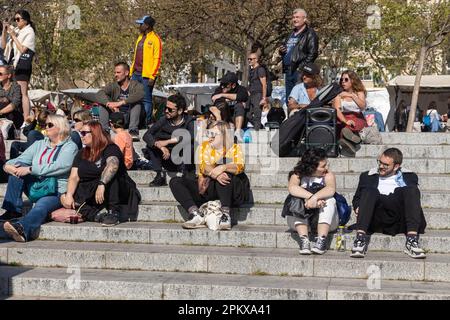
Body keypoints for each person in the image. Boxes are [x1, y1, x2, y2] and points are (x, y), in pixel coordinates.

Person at [0, 115, 78, 241]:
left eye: (49, 125)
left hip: (56, 190)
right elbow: (21, 159)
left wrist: (31, 169)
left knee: (41, 207)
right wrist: (7, 166)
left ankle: (22, 229)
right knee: (18, 168)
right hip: (36, 185)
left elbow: (61, 166)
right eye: (45, 124)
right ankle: (13, 210)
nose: (45, 127)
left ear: (61, 127)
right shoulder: (39, 144)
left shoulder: (70, 146)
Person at [169, 121, 250, 230]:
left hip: (230, 191)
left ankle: (225, 214)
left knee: (225, 173)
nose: (210, 138)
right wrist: (215, 174)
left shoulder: (234, 148)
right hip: (207, 187)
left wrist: (223, 167)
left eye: (213, 135)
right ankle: (195, 214)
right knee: (175, 181)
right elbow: (203, 166)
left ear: (224, 135)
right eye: (209, 134)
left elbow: (240, 166)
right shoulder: (204, 147)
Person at [350, 148, 427, 259]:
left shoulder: (410, 176)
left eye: (385, 165)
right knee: (370, 190)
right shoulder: (367, 176)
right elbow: (356, 198)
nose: (381, 166)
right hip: (376, 216)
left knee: (411, 190)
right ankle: (360, 240)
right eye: (380, 162)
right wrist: (357, 206)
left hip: (399, 218)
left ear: (396, 166)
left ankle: (412, 240)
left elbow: (412, 200)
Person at [61, 121, 140, 226]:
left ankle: (113, 212)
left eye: (84, 133)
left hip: (116, 189)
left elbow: (113, 165)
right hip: (93, 190)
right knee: (64, 196)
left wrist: (102, 184)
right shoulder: (82, 153)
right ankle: (97, 215)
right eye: (80, 133)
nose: (81, 136)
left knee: (111, 175)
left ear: (94, 133)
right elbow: (74, 176)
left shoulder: (110, 148)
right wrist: (69, 195)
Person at [285, 148, 338, 255]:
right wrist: (310, 197)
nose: (326, 168)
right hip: (299, 224)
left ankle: (321, 240)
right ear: (312, 167)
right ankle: (304, 240)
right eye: (323, 166)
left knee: (330, 199)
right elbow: (292, 188)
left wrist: (315, 198)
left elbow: (330, 190)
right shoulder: (297, 175)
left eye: (327, 164)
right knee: (296, 198)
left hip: (327, 223)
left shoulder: (328, 175)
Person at [143, 94, 195, 186]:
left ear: (180, 111)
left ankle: (184, 175)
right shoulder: (164, 120)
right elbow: (147, 135)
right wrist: (161, 146)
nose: (166, 111)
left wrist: (167, 141)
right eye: (165, 108)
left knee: (190, 145)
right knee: (151, 144)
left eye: (170, 110)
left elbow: (191, 135)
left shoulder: (189, 121)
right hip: (166, 157)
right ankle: (159, 175)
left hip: (183, 160)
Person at [278, 8, 319, 105]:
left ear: (304, 19)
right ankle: (290, 119)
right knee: (290, 99)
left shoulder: (310, 33)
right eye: (293, 17)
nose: (295, 19)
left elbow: (313, 53)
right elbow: (289, 50)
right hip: (288, 70)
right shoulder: (291, 34)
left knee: (300, 99)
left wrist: (302, 68)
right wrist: (281, 51)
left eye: (297, 17)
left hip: (299, 71)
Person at [1, 10, 36, 119]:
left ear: (25, 20)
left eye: (18, 19)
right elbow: (3, 46)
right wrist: (4, 30)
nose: (16, 22)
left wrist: (13, 36)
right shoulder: (16, 30)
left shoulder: (29, 32)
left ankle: (26, 118)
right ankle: (20, 117)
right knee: (15, 91)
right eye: (14, 19)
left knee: (23, 92)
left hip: (23, 64)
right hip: (13, 64)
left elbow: (22, 49)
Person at [97, 62, 144, 140]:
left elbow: (140, 94)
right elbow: (100, 93)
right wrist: (108, 104)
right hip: (117, 116)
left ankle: (133, 131)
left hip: (130, 118)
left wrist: (120, 103)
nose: (116, 75)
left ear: (126, 73)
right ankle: (104, 131)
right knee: (102, 105)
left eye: (118, 72)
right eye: (115, 72)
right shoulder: (113, 85)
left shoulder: (136, 85)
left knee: (137, 104)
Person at [130, 15, 162, 125]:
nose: (139, 26)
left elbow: (157, 59)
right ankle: (135, 121)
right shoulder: (140, 37)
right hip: (135, 74)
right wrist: (131, 72)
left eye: (141, 24)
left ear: (147, 25)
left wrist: (153, 76)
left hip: (147, 76)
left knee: (146, 100)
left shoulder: (155, 39)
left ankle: (146, 123)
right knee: (134, 98)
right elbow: (135, 56)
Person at [333, 70, 367, 157]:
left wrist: (352, 95)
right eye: (341, 79)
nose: (343, 82)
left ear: (352, 80)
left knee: (353, 125)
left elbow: (362, 106)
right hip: (343, 117)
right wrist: (345, 121)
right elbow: (337, 110)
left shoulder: (359, 92)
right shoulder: (338, 94)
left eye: (346, 79)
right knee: (344, 126)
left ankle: (347, 140)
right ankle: (352, 141)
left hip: (357, 117)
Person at [211, 71, 249, 141]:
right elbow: (214, 98)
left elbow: (243, 96)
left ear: (233, 85)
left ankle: (238, 132)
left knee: (239, 106)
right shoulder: (219, 89)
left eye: (225, 84)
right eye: (222, 84)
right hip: (225, 117)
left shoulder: (241, 89)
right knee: (221, 105)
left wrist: (222, 95)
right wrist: (233, 98)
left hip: (236, 117)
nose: (222, 86)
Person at [0, 65, 24, 139]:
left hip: (13, 116)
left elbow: (15, 104)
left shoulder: (16, 87)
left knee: (6, 103)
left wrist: (0, 112)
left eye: (0, 74)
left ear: (9, 75)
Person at [247, 52, 267, 131]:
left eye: (251, 59)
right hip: (251, 94)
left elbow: (264, 84)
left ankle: (257, 131)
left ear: (256, 60)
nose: (249, 60)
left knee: (257, 114)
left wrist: (264, 98)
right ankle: (259, 126)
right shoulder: (251, 70)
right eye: (248, 59)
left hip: (258, 94)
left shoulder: (260, 69)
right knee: (248, 114)